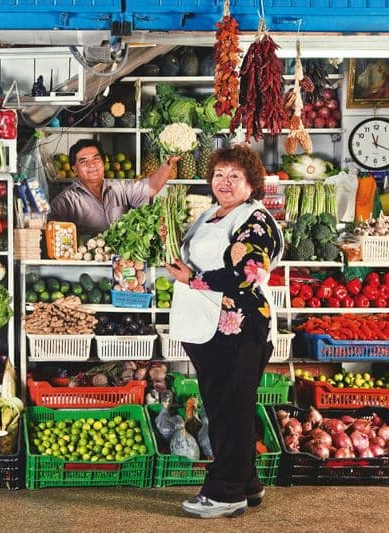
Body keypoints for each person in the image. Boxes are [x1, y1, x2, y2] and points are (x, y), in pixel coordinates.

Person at [163, 144, 284, 519]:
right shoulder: (211, 215)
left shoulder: (256, 219)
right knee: (229, 408)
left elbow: (249, 274)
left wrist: (192, 278)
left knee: (230, 410)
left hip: (238, 328)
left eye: (235, 176)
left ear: (251, 183)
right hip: (209, 329)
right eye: (219, 174)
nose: (225, 182)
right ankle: (247, 483)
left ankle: (225, 492)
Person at [49, 139, 179, 236]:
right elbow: (49, 228)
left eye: (96, 159)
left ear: (103, 163)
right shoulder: (66, 200)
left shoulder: (119, 188)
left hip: (123, 262)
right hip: (89, 262)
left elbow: (151, 187)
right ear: (74, 169)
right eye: (84, 161)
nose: (92, 165)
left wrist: (169, 163)